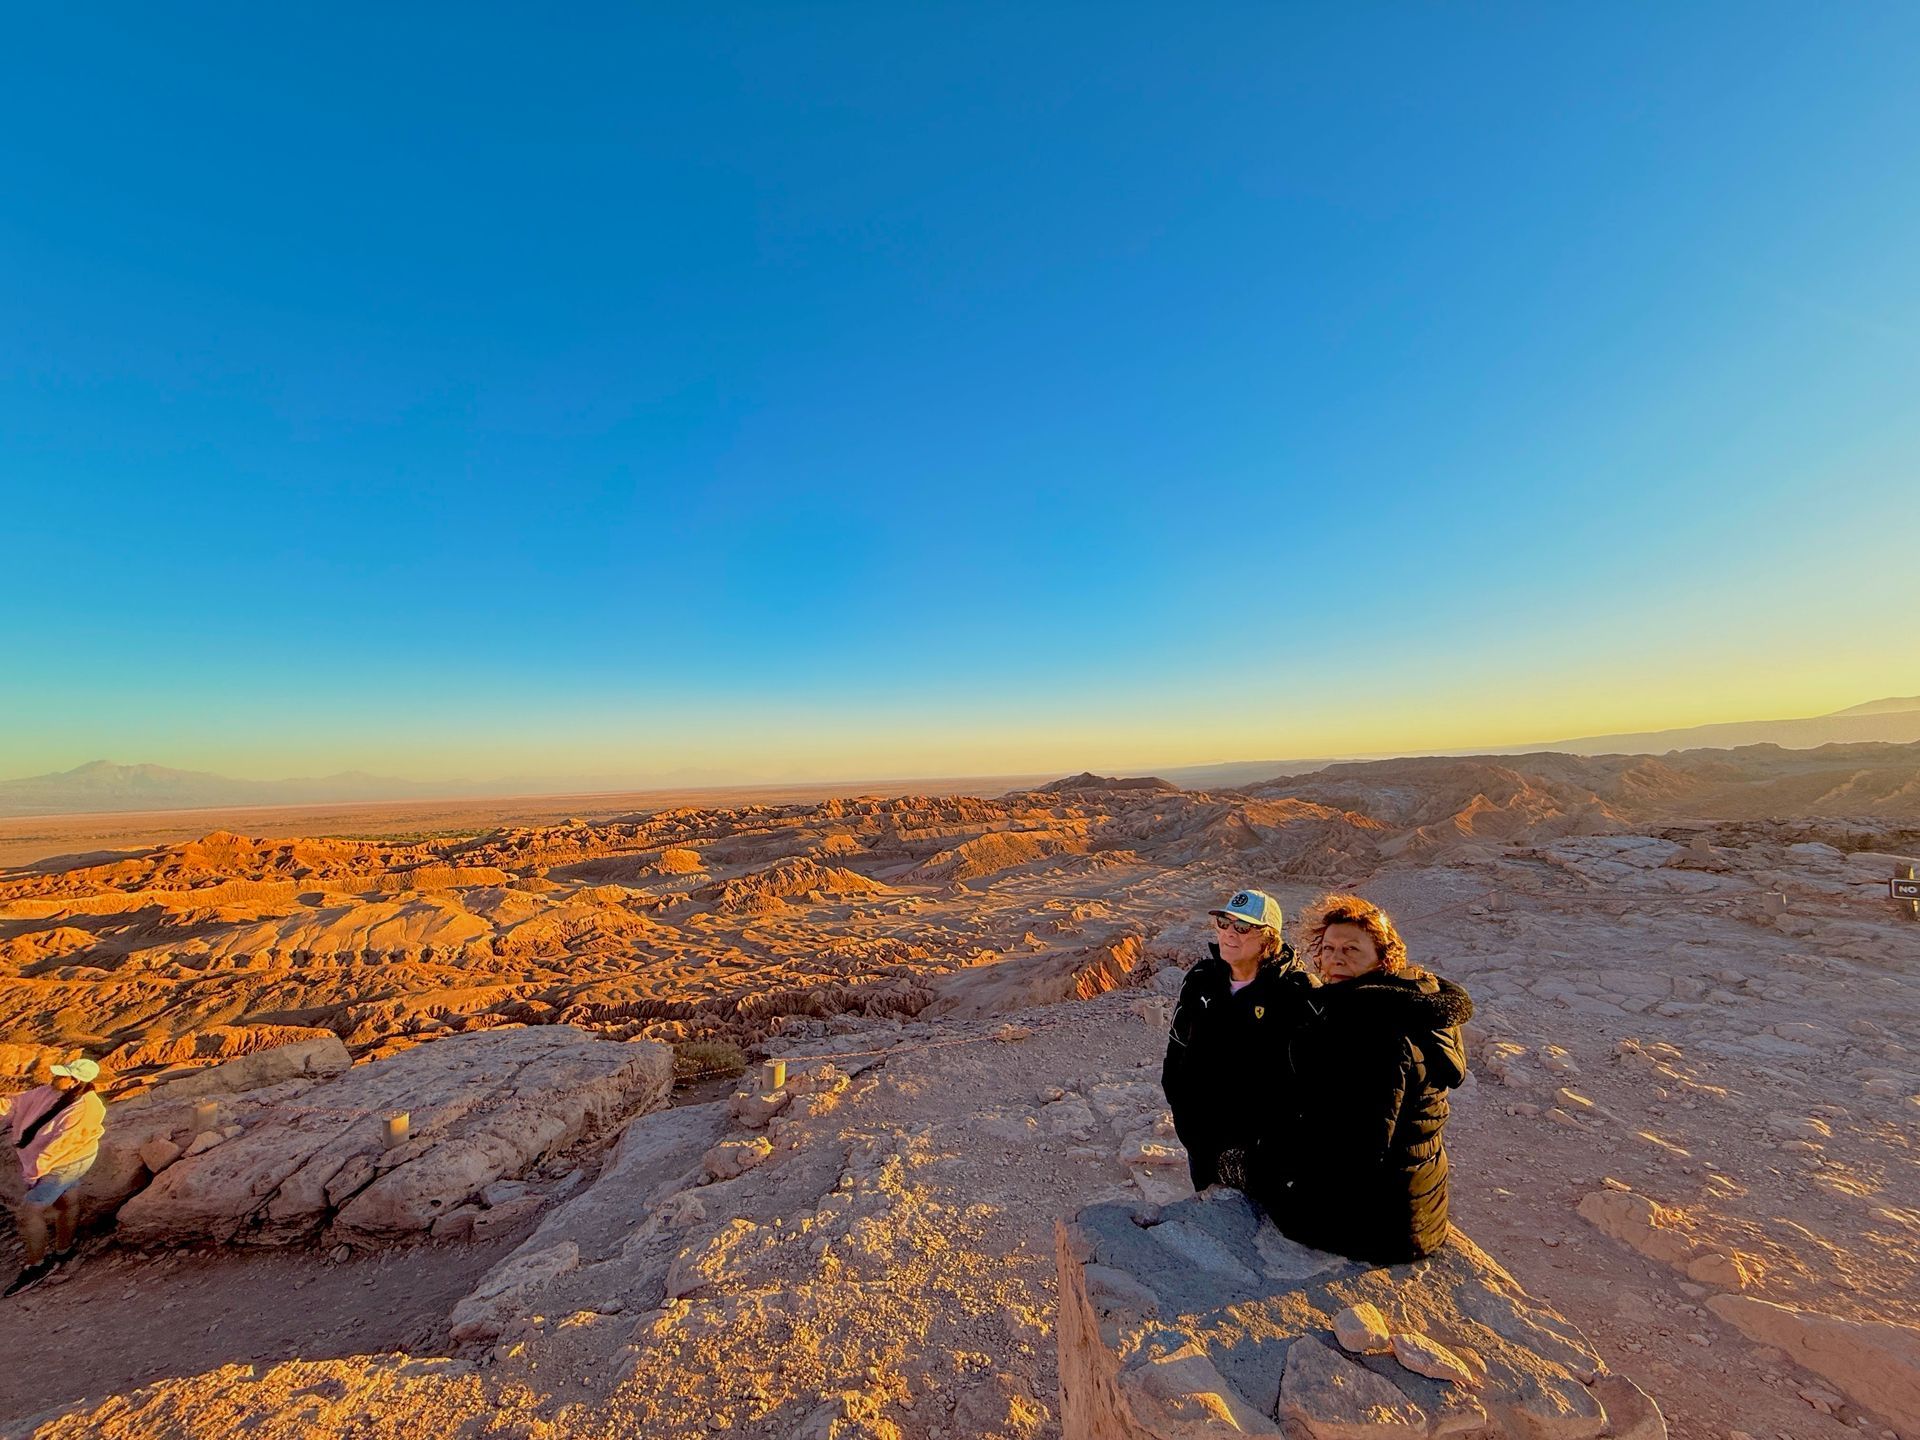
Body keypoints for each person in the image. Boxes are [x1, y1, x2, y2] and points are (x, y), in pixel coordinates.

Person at [1254, 894, 1472, 1264]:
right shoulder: (1414, 1000)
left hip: (1377, 1227)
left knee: (1253, 1173)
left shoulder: (1369, 1028)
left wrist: (1277, 1170)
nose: (1336, 958)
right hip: (1420, 1208)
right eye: (1329, 948)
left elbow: (1358, 1152)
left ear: (1383, 957)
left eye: (1352, 949)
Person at [1160, 888, 1314, 1192]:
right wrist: (1188, 1125)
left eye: (1243, 927)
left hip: (1264, 1160)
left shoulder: (1296, 994)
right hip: (1202, 1146)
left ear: (1269, 937)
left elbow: (1309, 1088)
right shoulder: (1202, 980)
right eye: (1224, 923)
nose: (1230, 933)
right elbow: (1177, 1054)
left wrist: (1266, 1150)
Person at [5, 1056, 106, 1297]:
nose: (53, 1077)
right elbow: (16, 1103)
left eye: (61, 1075)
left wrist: (33, 1176)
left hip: (65, 1162)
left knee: (28, 1213)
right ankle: (64, 1250)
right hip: (65, 1159)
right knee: (66, 1200)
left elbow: (58, 1150)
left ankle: (37, 1266)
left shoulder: (86, 1109)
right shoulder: (50, 1092)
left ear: (74, 1081)